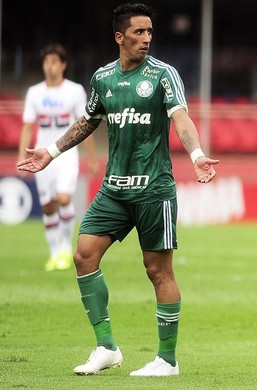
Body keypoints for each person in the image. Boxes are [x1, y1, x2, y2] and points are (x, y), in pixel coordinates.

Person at [17, 3, 219, 376]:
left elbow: (180, 118)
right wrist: (50, 151)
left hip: (153, 189)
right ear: (119, 37)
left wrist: (198, 155)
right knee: (83, 255)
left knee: (158, 270)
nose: (146, 39)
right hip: (114, 188)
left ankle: (167, 360)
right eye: (139, 32)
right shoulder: (103, 78)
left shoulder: (163, 75)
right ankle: (106, 347)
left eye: (150, 32)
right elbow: (88, 120)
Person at [17, 43, 98, 272]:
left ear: (63, 65)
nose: (49, 66)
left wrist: (91, 158)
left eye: (54, 61)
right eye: (46, 62)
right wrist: (21, 155)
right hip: (41, 154)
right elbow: (27, 126)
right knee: (48, 206)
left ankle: (64, 247)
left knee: (63, 199)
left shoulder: (74, 91)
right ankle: (54, 253)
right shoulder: (35, 93)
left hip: (65, 153)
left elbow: (85, 124)